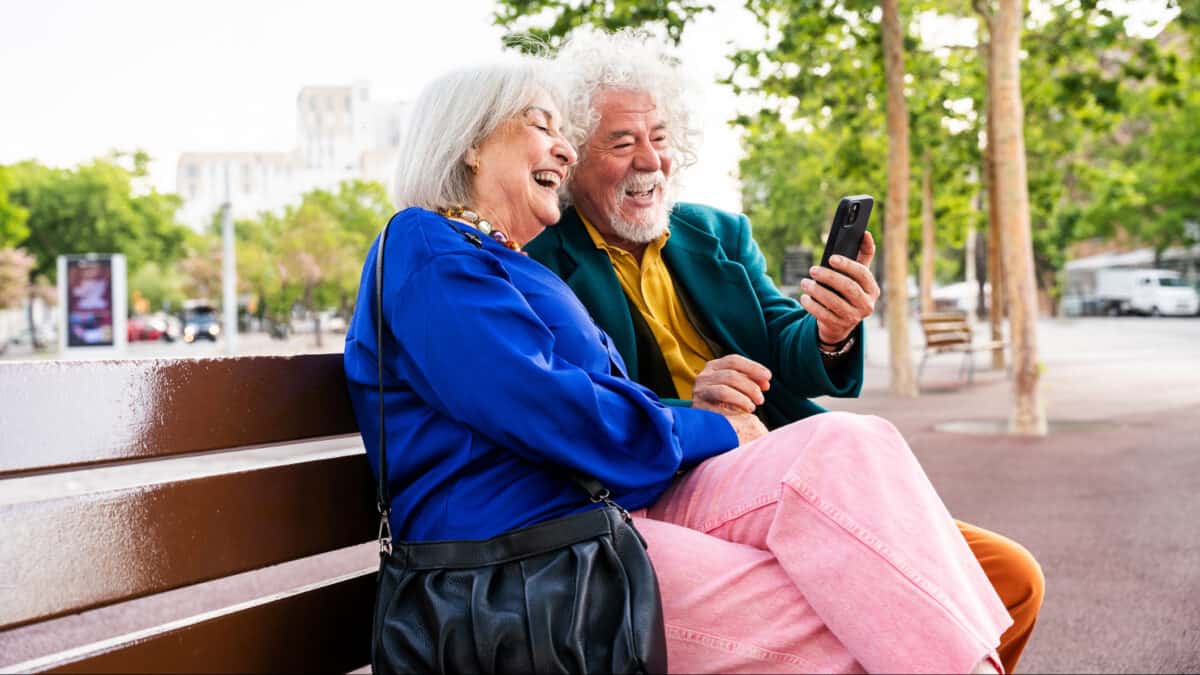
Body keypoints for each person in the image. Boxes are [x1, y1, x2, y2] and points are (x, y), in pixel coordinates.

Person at [344, 54, 1011, 673]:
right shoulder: (426, 242)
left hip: (604, 514)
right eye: (543, 125)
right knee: (856, 613)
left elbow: (577, 399)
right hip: (529, 560)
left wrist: (826, 333)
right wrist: (711, 425)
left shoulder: (501, 259)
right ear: (469, 139)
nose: (564, 148)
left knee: (850, 439)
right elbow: (550, 406)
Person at [525, 28, 1044, 673]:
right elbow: (574, 405)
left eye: (659, 139)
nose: (650, 161)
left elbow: (784, 340)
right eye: (622, 143)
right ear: (572, 157)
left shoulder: (715, 232)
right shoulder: (541, 258)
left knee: (1013, 578)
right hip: (676, 489)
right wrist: (694, 407)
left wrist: (832, 328)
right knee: (871, 606)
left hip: (796, 471)